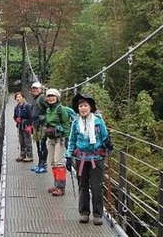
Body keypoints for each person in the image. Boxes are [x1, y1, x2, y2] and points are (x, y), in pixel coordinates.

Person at [66, 93, 109, 226]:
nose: (83, 108)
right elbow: (72, 140)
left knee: (96, 186)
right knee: (83, 185)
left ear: (90, 107)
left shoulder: (98, 121)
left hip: (96, 158)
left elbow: (105, 136)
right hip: (81, 158)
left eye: (85, 105)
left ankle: (97, 214)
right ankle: (84, 213)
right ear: (78, 108)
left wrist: (108, 145)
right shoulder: (75, 122)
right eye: (80, 106)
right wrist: (68, 156)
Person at [37, 88, 71, 196]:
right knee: (52, 161)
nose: (50, 98)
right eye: (49, 96)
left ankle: (61, 188)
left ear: (57, 97)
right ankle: (56, 185)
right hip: (50, 138)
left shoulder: (61, 109)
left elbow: (66, 125)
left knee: (58, 162)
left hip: (60, 139)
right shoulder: (48, 110)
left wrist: (65, 138)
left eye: (53, 96)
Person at [29, 82, 47, 173]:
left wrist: (44, 117)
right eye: (33, 89)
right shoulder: (35, 98)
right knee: (38, 145)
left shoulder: (42, 98)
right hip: (36, 124)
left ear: (41, 89)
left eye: (36, 88)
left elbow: (49, 109)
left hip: (42, 125)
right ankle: (40, 163)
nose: (34, 90)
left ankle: (43, 164)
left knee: (42, 145)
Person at [13, 92, 33, 162]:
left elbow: (31, 117)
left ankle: (29, 156)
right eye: (16, 97)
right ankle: (22, 155)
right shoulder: (16, 107)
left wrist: (29, 126)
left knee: (27, 140)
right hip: (20, 125)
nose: (18, 98)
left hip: (26, 125)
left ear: (23, 97)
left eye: (19, 97)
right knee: (21, 141)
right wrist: (16, 119)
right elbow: (15, 116)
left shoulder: (27, 106)